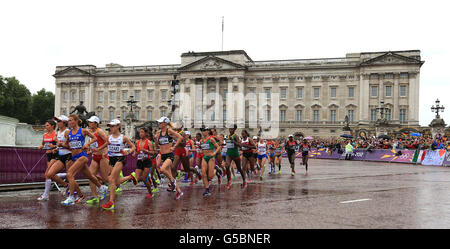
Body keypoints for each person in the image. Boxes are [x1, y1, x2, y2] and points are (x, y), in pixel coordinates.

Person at [61, 114, 108, 206]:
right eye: (68, 121)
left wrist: (88, 144)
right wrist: (60, 145)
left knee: (69, 174)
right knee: (90, 176)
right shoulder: (68, 133)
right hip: (74, 157)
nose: (69, 122)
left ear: (76, 121)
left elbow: (94, 138)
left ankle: (71, 197)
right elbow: (67, 145)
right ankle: (102, 187)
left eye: (71, 120)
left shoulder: (83, 131)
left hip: (82, 156)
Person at [101, 119, 136, 210]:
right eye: (110, 126)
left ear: (118, 126)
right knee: (115, 181)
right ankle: (130, 177)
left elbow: (133, 147)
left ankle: (111, 202)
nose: (111, 128)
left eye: (112, 126)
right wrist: (104, 152)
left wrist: (128, 152)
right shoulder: (109, 137)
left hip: (120, 158)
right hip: (111, 159)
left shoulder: (123, 138)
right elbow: (107, 146)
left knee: (111, 179)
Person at [37, 118, 71, 201]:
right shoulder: (45, 135)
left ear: (52, 126)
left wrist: (55, 147)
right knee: (50, 174)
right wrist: (41, 146)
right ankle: (66, 182)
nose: (46, 127)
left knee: (47, 174)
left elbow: (61, 144)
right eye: (45, 125)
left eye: (48, 125)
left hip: (55, 155)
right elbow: (43, 144)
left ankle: (46, 194)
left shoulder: (56, 133)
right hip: (49, 155)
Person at [154, 117, 184, 200]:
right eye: (159, 123)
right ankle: (179, 191)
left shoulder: (169, 131)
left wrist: (174, 147)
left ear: (165, 123)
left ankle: (173, 182)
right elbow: (156, 146)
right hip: (162, 155)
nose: (159, 124)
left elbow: (180, 138)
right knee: (165, 172)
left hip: (169, 155)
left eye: (160, 123)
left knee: (163, 169)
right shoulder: (158, 132)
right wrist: (155, 140)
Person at [85, 116, 111, 205]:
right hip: (95, 157)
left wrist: (99, 148)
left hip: (103, 156)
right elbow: (93, 145)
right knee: (90, 176)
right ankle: (94, 196)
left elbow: (108, 142)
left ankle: (117, 182)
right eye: (89, 122)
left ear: (96, 123)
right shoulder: (89, 132)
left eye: (91, 122)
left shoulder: (99, 131)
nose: (89, 124)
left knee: (105, 178)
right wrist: (89, 150)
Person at [127, 128, 156, 198]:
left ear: (146, 133)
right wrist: (134, 153)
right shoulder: (137, 142)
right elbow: (137, 151)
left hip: (147, 161)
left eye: (142, 132)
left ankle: (150, 193)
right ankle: (148, 180)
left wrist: (146, 151)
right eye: (140, 132)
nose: (141, 134)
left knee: (144, 179)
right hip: (139, 161)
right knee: (136, 178)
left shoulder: (148, 142)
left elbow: (153, 153)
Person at [199, 127, 221, 196]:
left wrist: (214, 153)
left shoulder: (211, 139)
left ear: (208, 132)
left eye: (204, 130)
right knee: (203, 174)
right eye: (202, 131)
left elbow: (218, 147)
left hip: (211, 157)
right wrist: (201, 151)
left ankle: (216, 170)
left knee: (210, 177)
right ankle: (207, 189)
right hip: (204, 157)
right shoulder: (201, 140)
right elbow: (203, 149)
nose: (203, 132)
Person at [225, 124, 247, 189]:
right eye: (229, 129)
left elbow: (240, 145)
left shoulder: (236, 136)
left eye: (231, 129)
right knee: (227, 166)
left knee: (239, 168)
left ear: (234, 130)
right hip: (228, 154)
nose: (230, 130)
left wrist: (233, 141)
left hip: (235, 154)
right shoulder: (227, 136)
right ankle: (229, 181)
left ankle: (244, 181)